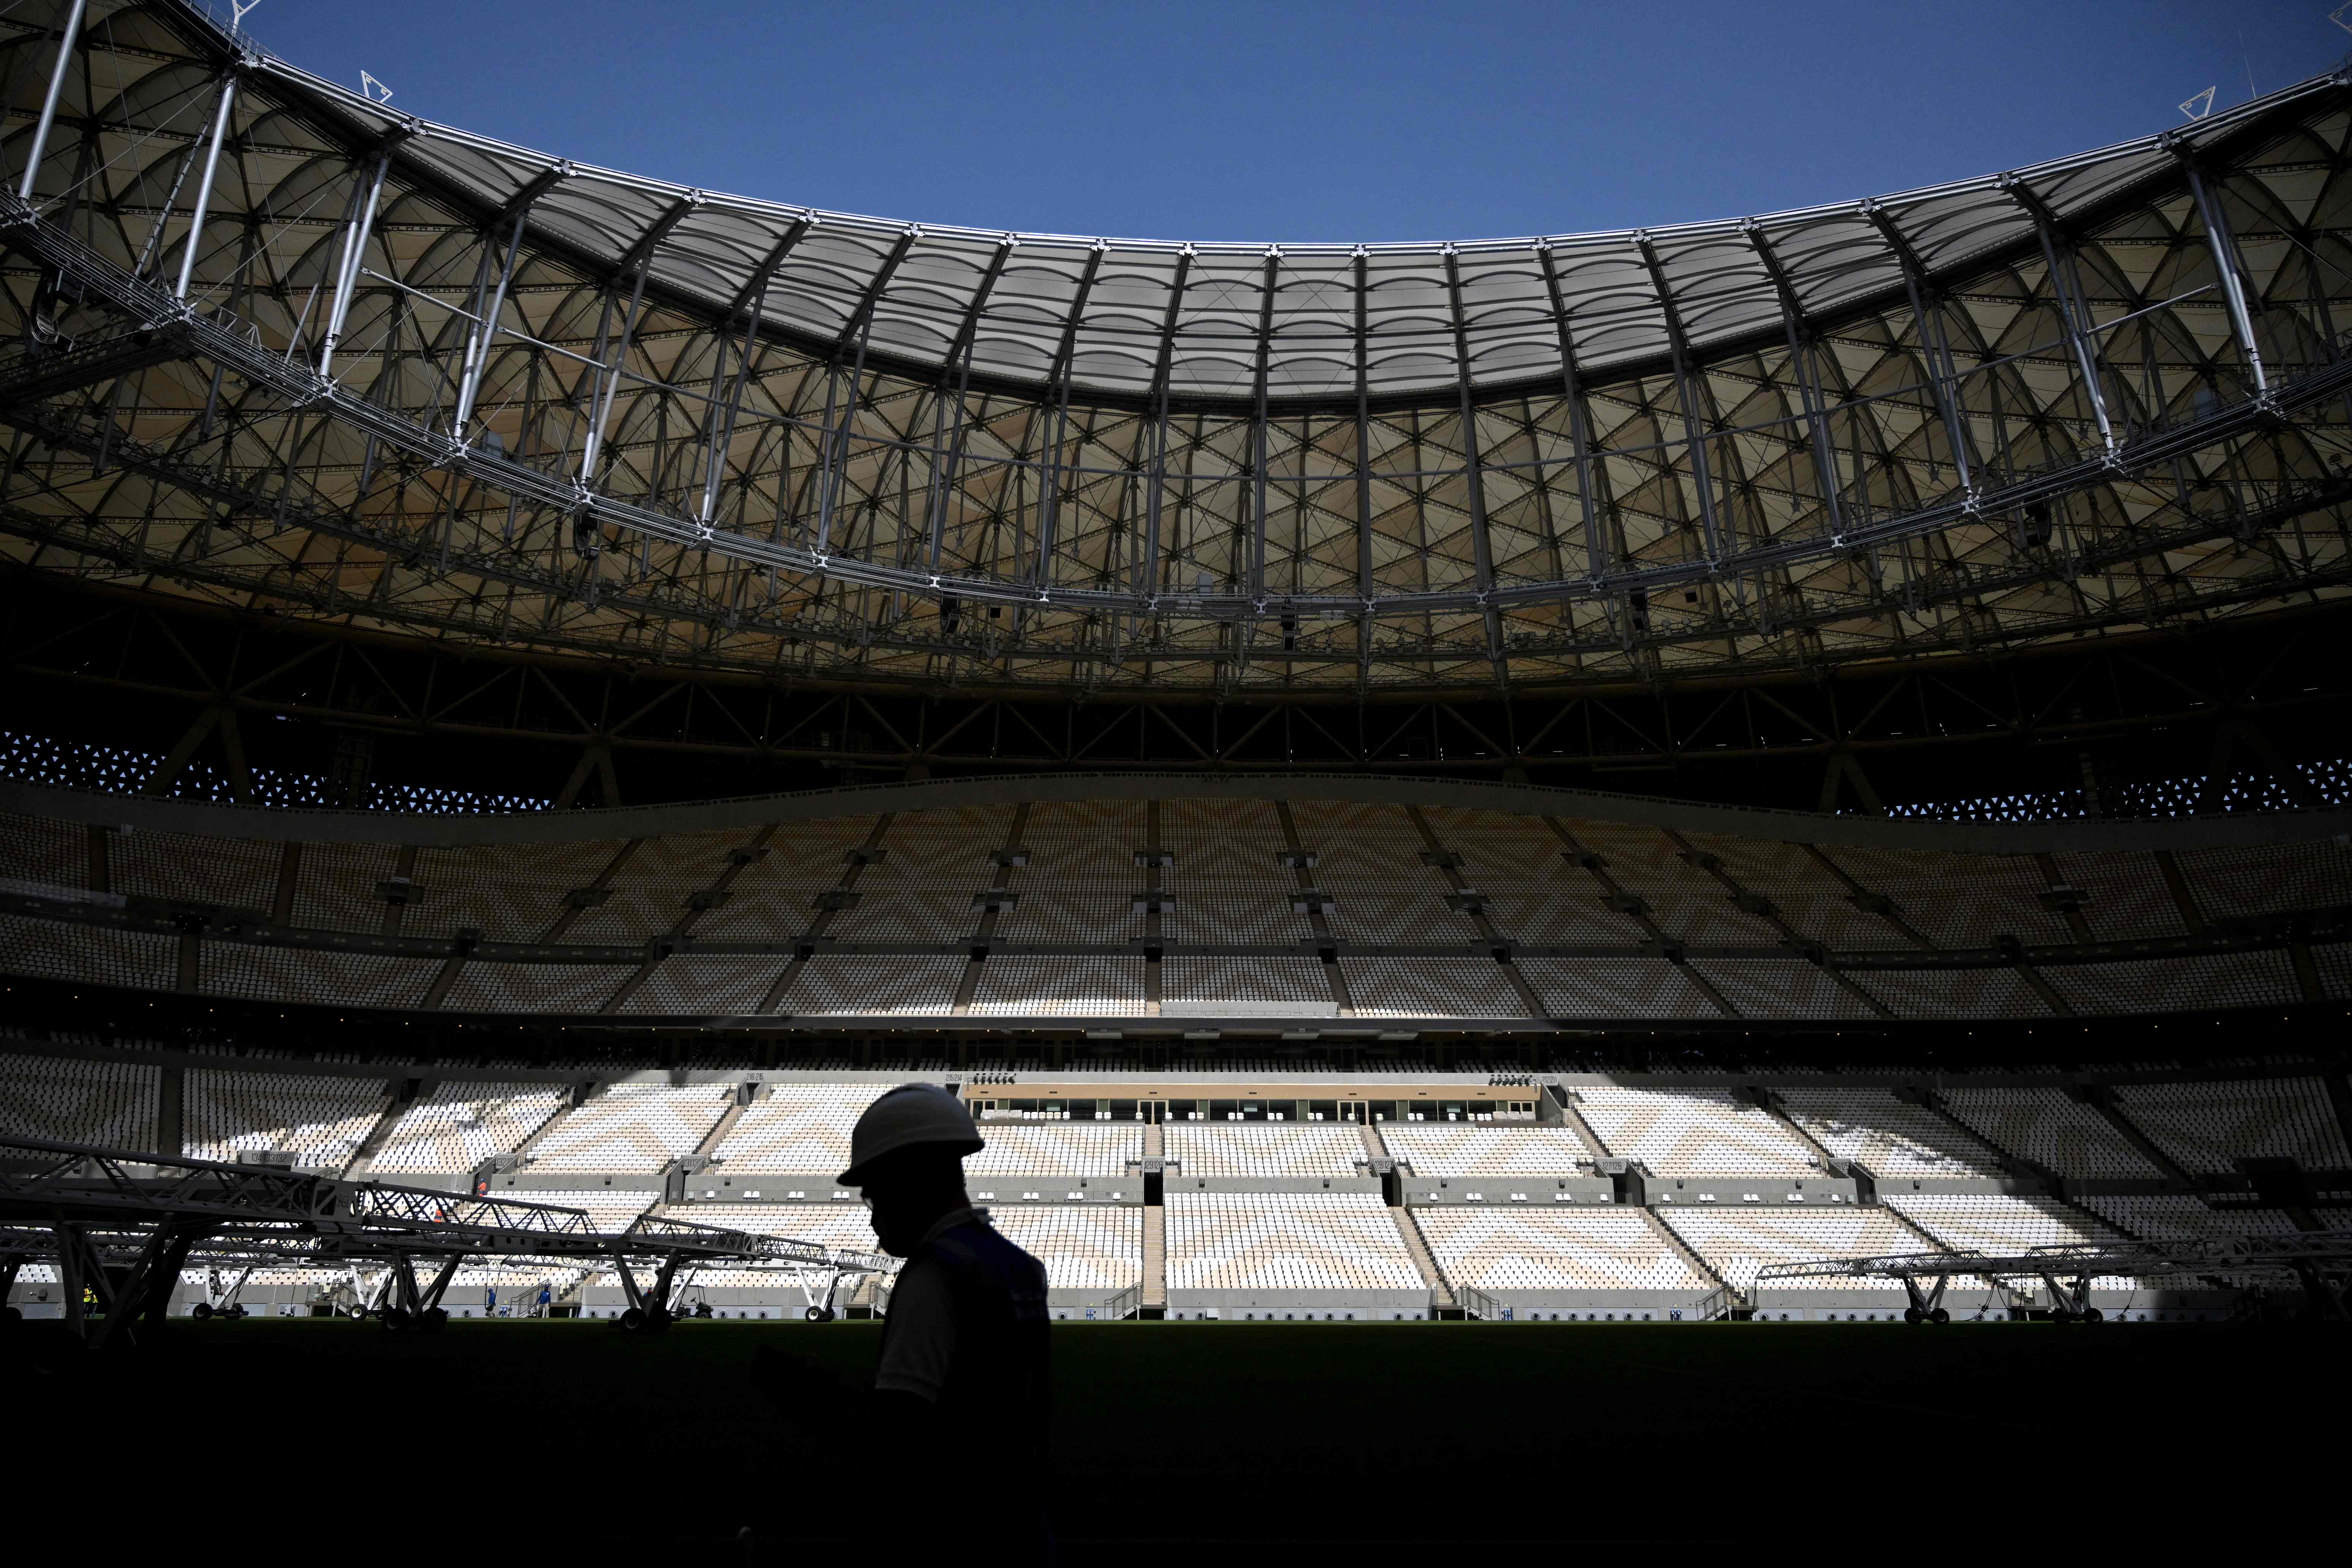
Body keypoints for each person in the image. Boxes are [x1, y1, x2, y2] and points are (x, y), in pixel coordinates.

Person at [753, 1084, 1051, 1553]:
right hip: (1018, 1529)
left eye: (878, 1195)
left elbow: (896, 1441)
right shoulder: (1019, 1268)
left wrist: (812, 1394)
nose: (874, 1219)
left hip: (945, 1543)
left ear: (913, 1177)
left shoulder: (936, 1275)